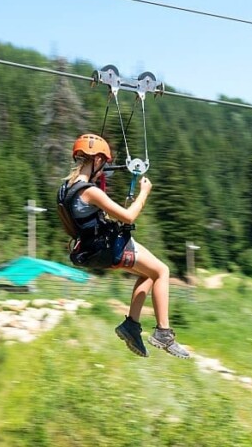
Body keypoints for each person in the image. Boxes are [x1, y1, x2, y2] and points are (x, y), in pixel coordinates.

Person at [58, 133, 190, 359]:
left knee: (148, 275)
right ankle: (163, 332)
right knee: (162, 271)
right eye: (104, 162)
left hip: (92, 250)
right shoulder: (89, 192)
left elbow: (78, 220)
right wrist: (144, 193)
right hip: (112, 247)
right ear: (98, 160)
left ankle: (132, 325)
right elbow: (129, 216)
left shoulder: (66, 189)